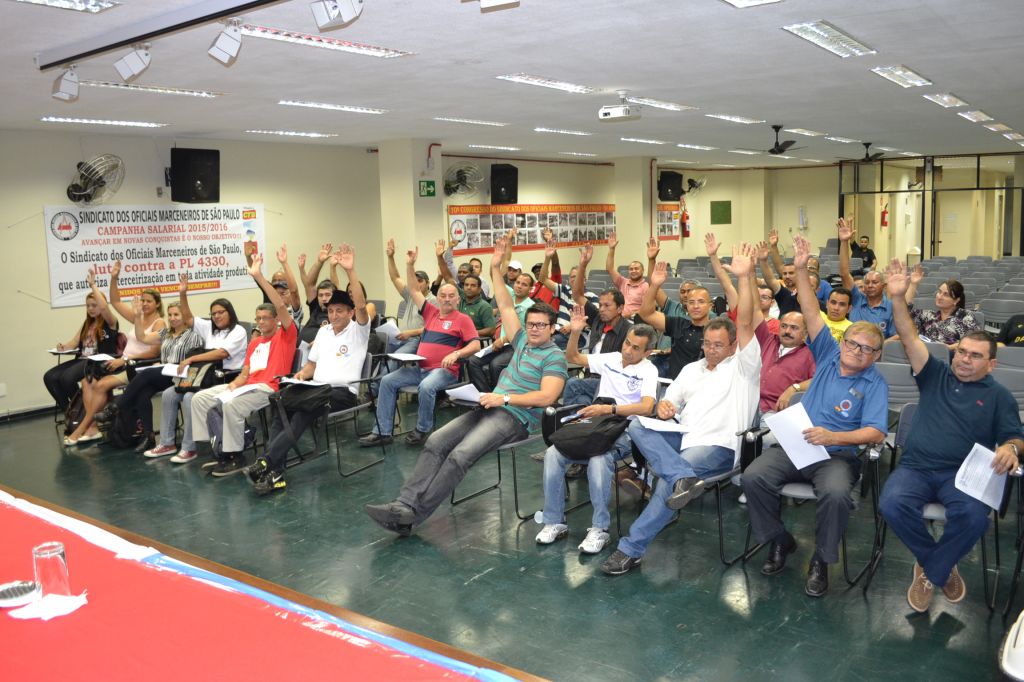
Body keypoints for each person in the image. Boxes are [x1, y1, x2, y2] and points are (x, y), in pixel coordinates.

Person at [364, 234, 567, 536]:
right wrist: (495, 268)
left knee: (460, 456)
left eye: (541, 325)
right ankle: (403, 504)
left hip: (516, 417)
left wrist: (505, 399)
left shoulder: (554, 357)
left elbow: (547, 396)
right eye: (531, 324)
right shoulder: (522, 339)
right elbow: (505, 304)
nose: (534, 329)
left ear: (552, 328)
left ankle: (412, 516)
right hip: (489, 405)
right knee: (436, 441)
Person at [601, 244, 761, 576]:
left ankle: (630, 549)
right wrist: (664, 407)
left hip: (717, 445)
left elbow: (745, 321)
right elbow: (668, 404)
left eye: (719, 345)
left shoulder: (744, 367)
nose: (711, 350)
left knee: (666, 484)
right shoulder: (691, 370)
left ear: (733, 345)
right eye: (707, 344)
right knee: (636, 424)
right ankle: (682, 478)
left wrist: (745, 278)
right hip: (683, 438)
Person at [742, 233, 888, 598]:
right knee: (753, 477)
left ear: (876, 356)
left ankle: (821, 559)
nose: (856, 351)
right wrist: (801, 268)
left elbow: (875, 432)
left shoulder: (875, 383)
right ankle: (780, 540)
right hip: (797, 445)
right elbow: (809, 310)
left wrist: (834, 437)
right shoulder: (828, 354)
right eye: (852, 343)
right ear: (843, 342)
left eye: (867, 349)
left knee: (836, 495)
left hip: (837, 455)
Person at [879, 258, 1023, 612]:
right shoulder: (935, 375)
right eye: (961, 352)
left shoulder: (999, 396)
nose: (964, 359)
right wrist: (897, 298)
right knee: (891, 503)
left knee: (974, 518)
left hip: (963, 476)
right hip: (916, 467)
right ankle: (940, 564)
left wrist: (1010, 448)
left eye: (975, 356)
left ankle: (931, 571)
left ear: (992, 364)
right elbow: (909, 337)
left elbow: (1015, 437)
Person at [246, 245, 371, 495]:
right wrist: (301, 375)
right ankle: (275, 472)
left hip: (341, 393)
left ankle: (267, 462)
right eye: (331, 311)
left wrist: (350, 270)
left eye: (340, 311)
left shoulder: (358, 331)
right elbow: (312, 365)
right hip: (315, 389)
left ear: (350, 313)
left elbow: (360, 304)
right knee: (280, 402)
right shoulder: (324, 332)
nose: (334, 315)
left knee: (305, 410)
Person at [536, 312, 658, 554]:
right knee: (553, 453)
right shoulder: (611, 359)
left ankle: (600, 528)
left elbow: (647, 407)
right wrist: (575, 332)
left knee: (599, 458)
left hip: (625, 428)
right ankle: (554, 521)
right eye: (627, 343)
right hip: (596, 423)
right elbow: (572, 357)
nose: (627, 350)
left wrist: (610, 409)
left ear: (648, 352)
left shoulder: (648, 370)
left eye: (636, 348)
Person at [360, 247, 480, 447]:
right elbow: (414, 291)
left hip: (445, 371)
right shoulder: (431, 312)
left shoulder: (463, 319)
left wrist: (457, 353)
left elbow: (476, 344)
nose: (447, 299)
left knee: (426, 387)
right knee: (387, 381)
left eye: (451, 296)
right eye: (443, 295)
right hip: (420, 368)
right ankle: (382, 432)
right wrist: (410, 265)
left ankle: (422, 429)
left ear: (458, 299)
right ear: (438, 298)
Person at [191, 253, 297, 476]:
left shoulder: (286, 336)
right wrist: (234, 385)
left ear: (276, 319)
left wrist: (258, 277)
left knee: (231, 406)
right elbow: (245, 372)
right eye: (258, 318)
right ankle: (218, 448)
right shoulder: (255, 342)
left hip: (269, 388)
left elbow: (279, 304)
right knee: (200, 399)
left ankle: (235, 456)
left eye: (265, 318)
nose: (260, 322)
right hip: (247, 386)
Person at [144, 277, 248, 463]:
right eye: (213, 313)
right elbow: (188, 318)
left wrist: (192, 358)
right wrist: (182, 294)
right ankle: (167, 443)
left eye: (221, 312)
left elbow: (221, 353)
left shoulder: (238, 331)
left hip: (225, 378)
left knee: (189, 397)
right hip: (203, 376)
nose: (216, 316)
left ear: (230, 312)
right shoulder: (209, 328)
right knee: (169, 394)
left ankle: (189, 448)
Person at [64, 263, 163, 445]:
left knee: (101, 386)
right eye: (142, 300)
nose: (144, 304)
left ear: (157, 304)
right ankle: (93, 429)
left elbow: (154, 352)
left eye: (149, 301)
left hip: (138, 365)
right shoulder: (137, 317)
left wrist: (124, 360)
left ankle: (84, 427)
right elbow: (116, 302)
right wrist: (114, 278)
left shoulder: (159, 323)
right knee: (87, 381)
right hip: (123, 362)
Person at [97, 287, 204, 453]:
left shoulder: (193, 335)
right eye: (170, 315)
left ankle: (116, 407)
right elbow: (143, 337)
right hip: (165, 373)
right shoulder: (166, 333)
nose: (172, 318)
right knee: (142, 393)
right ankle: (149, 437)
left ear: (184, 316)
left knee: (146, 373)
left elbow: (194, 362)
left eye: (176, 315)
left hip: (181, 375)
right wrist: (137, 316)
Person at [44, 282, 119, 414]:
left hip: (97, 361)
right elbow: (74, 342)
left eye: (94, 305)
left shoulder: (110, 322)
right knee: (49, 377)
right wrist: (63, 347)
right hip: (82, 360)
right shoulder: (88, 323)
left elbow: (104, 307)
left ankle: (82, 410)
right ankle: (70, 412)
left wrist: (93, 285)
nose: (90, 308)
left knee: (66, 378)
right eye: (88, 306)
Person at [639, 261, 710, 378]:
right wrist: (654, 285)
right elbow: (646, 313)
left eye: (701, 302)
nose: (696, 306)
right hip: (674, 383)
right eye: (691, 302)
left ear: (710, 306)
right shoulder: (678, 323)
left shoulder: (716, 329)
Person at [538, 239, 597, 350]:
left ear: (585, 280)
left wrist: (572, 326)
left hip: (579, 336)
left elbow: (597, 321)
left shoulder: (592, 297)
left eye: (578, 276)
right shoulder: (564, 290)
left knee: (544, 344)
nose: (575, 279)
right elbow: (543, 279)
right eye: (572, 277)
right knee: (535, 338)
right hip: (557, 332)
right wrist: (547, 258)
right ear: (569, 280)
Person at [839, 219, 894, 337]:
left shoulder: (891, 307)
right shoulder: (857, 298)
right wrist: (844, 242)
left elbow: (897, 336)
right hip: (851, 345)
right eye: (867, 282)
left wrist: (876, 344)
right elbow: (844, 274)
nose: (870, 285)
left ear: (884, 286)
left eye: (874, 282)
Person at [903, 267, 980, 348]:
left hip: (951, 354)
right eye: (939, 292)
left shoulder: (966, 317)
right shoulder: (929, 316)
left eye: (946, 294)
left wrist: (948, 348)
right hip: (927, 353)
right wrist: (913, 284)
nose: (939, 297)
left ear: (956, 300)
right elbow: (905, 310)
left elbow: (975, 341)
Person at [296, 242, 336, 345]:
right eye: (320, 295)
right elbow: (310, 285)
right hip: (302, 350)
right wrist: (319, 262)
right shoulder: (316, 307)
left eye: (327, 295)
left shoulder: (337, 314)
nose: (324, 298)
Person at [605, 231, 650, 317]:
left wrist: (628, 315)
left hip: (634, 319)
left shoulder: (645, 286)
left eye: (636, 268)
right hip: (619, 317)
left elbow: (646, 309)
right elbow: (609, 268)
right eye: (631, 269)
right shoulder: (623, 282)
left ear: (642, 271)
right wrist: (611, 249)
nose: (633, 271)